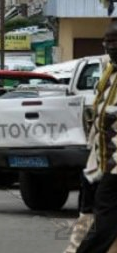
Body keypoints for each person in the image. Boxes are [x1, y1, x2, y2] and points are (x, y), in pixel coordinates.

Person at [66, 20, 117, 253]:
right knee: (87, 209)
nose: (109, 46)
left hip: (114, 165)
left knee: (105, 216)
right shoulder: (109, 72)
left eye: (114, 41)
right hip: (98, 158)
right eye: (107, 41)